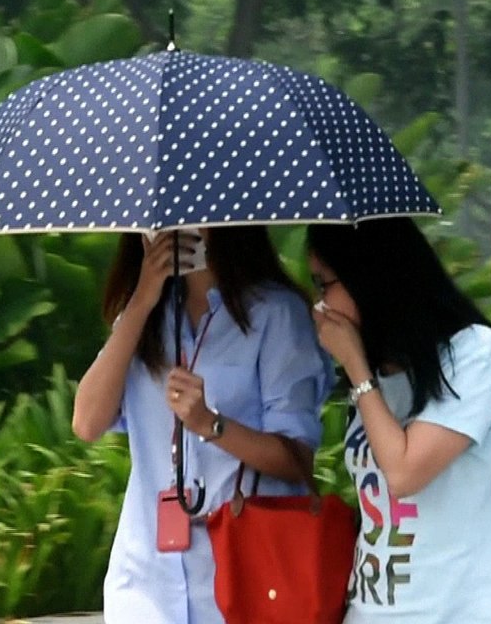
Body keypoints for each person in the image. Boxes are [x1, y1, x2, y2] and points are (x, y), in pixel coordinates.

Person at [73, 227, 333, 624]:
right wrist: (142, 299)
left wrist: (210, 424)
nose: (175, 225)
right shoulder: (144, 314)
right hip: (146, 583)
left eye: (191, 213)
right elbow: (87, 422)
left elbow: (296, 459)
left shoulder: (275, 312)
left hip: (241, 578)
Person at [306, 218, 491, 624]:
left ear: (370, 277)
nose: (319, 305)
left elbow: (404, 472)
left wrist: (357, 368)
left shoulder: (476, 356)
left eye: (324, 284)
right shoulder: (382, 376)